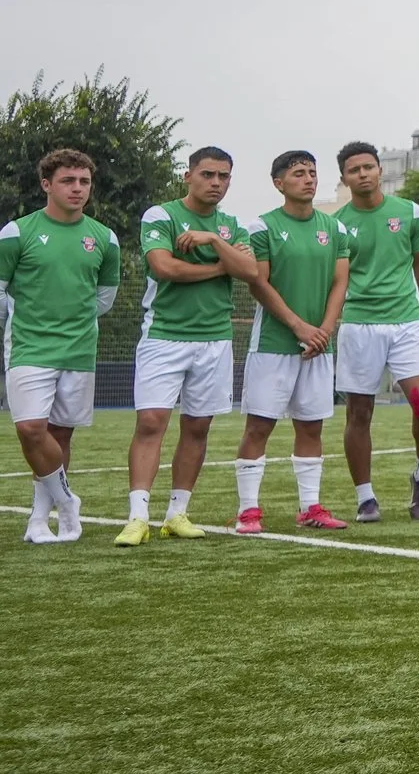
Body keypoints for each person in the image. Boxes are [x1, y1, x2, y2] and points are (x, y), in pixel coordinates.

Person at [124, 147, 255, 545]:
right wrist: (220, 265)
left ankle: (177, 513)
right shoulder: (160, 215)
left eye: (224, 176)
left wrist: (213, 238)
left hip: (214, 339)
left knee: (198, 426)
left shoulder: (231, 225)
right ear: (188, 176)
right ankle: (137, 517)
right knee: (151, 423)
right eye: (208, 174)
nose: (216, 183)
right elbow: (164, 267)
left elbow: (250, 271)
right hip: (164, 335)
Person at [2, 149, 119, 546]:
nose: (78, 188)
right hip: (29, 346)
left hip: (80, 348)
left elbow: (104, 298)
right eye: (68, 181)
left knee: (61, 434)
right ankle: (67, 500)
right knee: (31, 429)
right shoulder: (17, 232)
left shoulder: (105, 238)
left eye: (84, 181)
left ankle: (39, 520)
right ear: (46, 184)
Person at [234, 150, 353, 534]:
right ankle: (249, 511)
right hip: (273, 344)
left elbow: (340, 283)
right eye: (299, 173)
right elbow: (259, 283)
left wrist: (325, 330)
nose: (308, 179)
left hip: (319, 346)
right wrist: (299, 327)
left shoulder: (334, 228)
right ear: (278, 183)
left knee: (311, 427)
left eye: (313, 173)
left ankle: (310, 508)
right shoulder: (262, 227)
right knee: (259, 427)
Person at [333, 141, 419, 521]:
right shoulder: (337, 223)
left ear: (380, 170)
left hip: (406, 323)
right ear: (344, 177)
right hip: (358, 324)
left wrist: (403, 299)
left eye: (368, 167)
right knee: (359, 413)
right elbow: (337, 277)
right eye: (353, 170)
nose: (362, 174)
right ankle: (366, 498)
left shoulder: (410, 212)